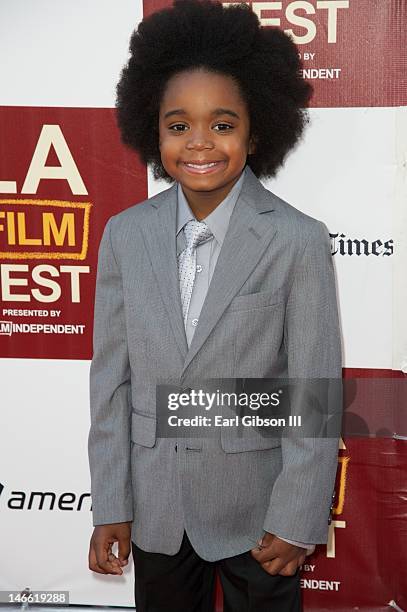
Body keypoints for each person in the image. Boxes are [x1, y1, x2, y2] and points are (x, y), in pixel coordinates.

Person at [87, 1, 342, 610]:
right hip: (156, 511)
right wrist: (112, 503)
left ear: (256, 132)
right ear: (154, 130)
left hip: (258, 515)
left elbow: (310, 387)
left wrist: (298, 514)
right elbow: (111, 382)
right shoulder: (125, 234)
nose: (199, 143)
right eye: (179, 126)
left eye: (222, 125)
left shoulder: (297, 239)